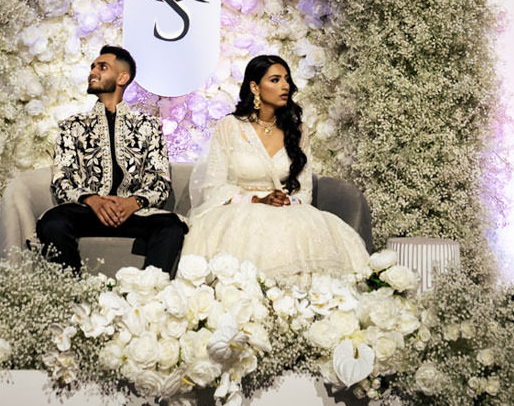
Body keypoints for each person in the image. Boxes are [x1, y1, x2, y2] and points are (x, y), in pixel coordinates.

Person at [183, 54, 367, 282]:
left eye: (287, 80)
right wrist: (257, 201)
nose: (285, 86)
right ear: (255, 86)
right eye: (275, 80)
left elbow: (305, 190)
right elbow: (213, 188)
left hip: (287, 209)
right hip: (238, 211)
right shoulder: (230, 127)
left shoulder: (297, 130)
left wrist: (286, 201)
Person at [35, 47, 186, 276]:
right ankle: (74, 296)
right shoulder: (72, 126)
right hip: (89, 212)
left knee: (171, 227)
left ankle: (147, 296)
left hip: (134, 214)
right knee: (53, 223)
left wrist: (132, 203)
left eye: (102, 67)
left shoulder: (149, 126)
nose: (93, 72)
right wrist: (93, 200)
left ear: (122, 78)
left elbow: (160, 182)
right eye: (92, 67)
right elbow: (62, 178)